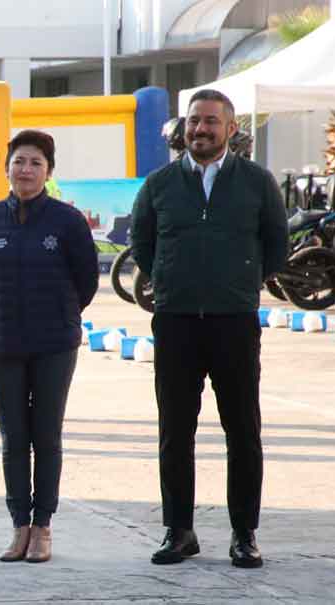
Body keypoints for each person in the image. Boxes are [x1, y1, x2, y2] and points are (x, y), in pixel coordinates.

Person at [130, 89, 288, 569]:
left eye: (211, 122)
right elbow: (143, 245)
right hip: (176, 324)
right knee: (175, 431)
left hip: (234, 324)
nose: (200, 129)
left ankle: (245, 534)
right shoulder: (159, 184)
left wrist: (238, 282)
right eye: (194, 121)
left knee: (243, 430)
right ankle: (179, 531)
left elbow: (276, 246)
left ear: (230, 128)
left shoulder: (257, 183)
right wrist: (170, 282)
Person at [0, 130, 98, 564]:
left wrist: (58, 313)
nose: (26, 170)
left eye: (35, 163)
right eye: (19, 161)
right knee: (12, 438)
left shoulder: (67, 221)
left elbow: (86, 281)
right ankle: (19, 525)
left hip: (54, 344)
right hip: (3, 343)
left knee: (46, 434)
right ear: (6, 168)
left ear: (48, 172)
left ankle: (44, 528)